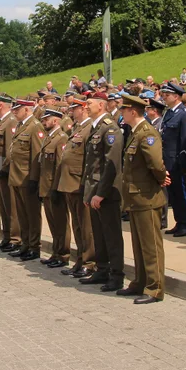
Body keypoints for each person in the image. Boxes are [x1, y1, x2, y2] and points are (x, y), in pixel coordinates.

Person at [118, 94, 170, 304]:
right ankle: (140, 282)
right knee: (139, 245)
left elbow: (156, 164)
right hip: (135, 197)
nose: (121, 113)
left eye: (124, 110)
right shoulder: (135, 132)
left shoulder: (147, 133)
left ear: (133, 111)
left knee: (150, 246)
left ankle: (155, 288)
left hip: (146, 196)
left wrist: (162, 178)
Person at [80, 92, 125, 292]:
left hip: (106, 192)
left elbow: (111, 164)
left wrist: (100, 193)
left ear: (101, 105)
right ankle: (102, 269)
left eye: (88, 103)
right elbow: (90, 164)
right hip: (93, 190)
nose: (85, 107)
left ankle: (116, 274)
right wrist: (86, 191)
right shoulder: (96, 127)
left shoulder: (110, 128)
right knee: (98, 233)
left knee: (111, 234)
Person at [57, 96, 96, 277]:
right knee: (78, 225)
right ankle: (80, 259)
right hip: (70, 183)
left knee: (86, 226)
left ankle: (89, 262)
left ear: (83, 109)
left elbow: (90, 160)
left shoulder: (90, 128)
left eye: (75, 108)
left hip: (79, 182)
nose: (72, 111)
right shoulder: (78, 128)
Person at [8, 99, 44, 261]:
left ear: (27, 110)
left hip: (27, 177)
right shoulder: (22, 126)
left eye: (18, 109)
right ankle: (26, 243)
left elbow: (36, 155)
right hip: (16, 177)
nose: (14, 112)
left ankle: (34, 246)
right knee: (22, 214)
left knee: (32, 214)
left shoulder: (34, 126)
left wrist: (34, 179)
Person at [159, 82, 186, 238]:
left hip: (177, 160)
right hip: (168, 159)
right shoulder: (168, 113)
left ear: (177, 96)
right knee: (173, 193)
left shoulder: (184, 113)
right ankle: (179, 222)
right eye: (164, 95)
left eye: (167, 95)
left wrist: (183, 161)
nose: (164, 97)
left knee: (181, 193)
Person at [39, 107, 70, 268]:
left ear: (56, 120)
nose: (44, 122)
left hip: (54, 187)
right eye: (43, 119)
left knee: (60, 223)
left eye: (47, 119)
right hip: (46, 186)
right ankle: (56, 252)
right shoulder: (48, 137)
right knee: (53, 222)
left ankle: (63, 254)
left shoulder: (61, 138)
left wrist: (57, 188)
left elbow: (60, 165)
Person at [0, 94, 18, 250]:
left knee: (9, 206)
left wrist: (4, 169)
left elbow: (8, 149)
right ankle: (5, 236)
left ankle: (13, 238)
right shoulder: (0, 122)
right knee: (2, 205)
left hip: (4, 170)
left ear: (0, 105)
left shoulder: (10, 121)